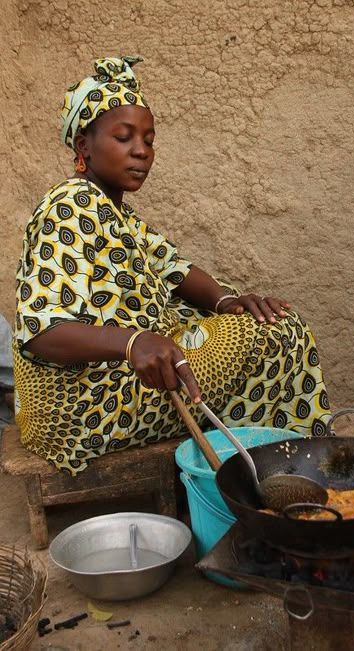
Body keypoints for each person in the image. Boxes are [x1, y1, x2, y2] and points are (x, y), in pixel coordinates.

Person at [14, 56, 330, 476]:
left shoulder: (117, 215)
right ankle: (281, 474)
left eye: (148, 139)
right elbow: (40, 331)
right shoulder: (70, 207)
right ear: (83, 147)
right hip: (83, 405)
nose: (142, 150)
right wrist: (132, 342)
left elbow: (174, 268)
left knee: (268, 322)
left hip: (120, 379)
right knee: (276, 339)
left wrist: (225, 301)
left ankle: (269, 468)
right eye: (124, 137)